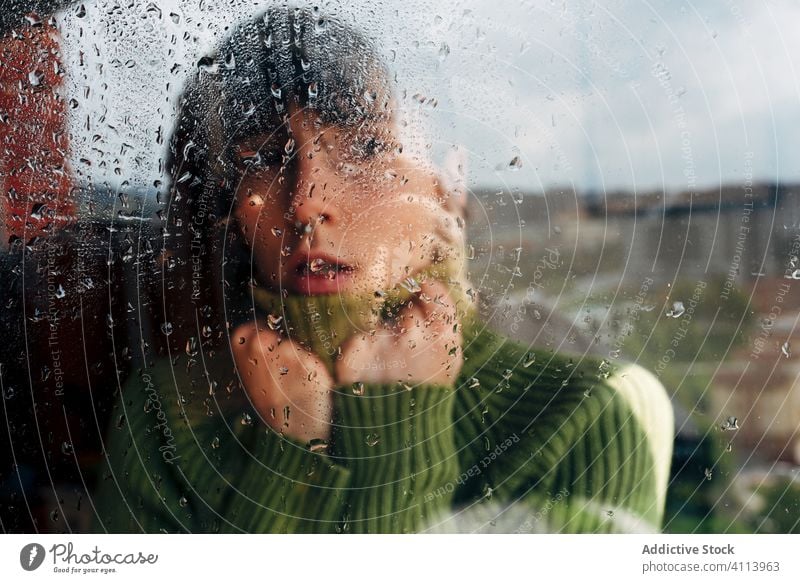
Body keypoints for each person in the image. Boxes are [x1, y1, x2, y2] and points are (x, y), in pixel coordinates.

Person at [90, 6, 673, 534]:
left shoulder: (586, 413)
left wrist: (396, 427)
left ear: (448, 184)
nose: (307, 202)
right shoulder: (162, 419)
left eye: (367, 150)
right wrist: (293, 452)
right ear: (229, 203)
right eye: (265, 161)